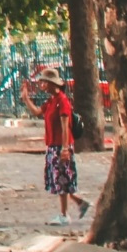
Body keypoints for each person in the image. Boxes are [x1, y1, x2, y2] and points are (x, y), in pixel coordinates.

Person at [29, 67, 89, 225]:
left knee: (61, 180)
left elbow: (65, 127)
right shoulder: (51, 101)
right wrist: (25, 99)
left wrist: (64, 148)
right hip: (52, 145)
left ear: (50, 83)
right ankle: (79, 203)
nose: (41, 84)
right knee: (59, 180)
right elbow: (36, 112)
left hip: (60, 146)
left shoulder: (62, 102)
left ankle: (64, 214)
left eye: (44, 82)